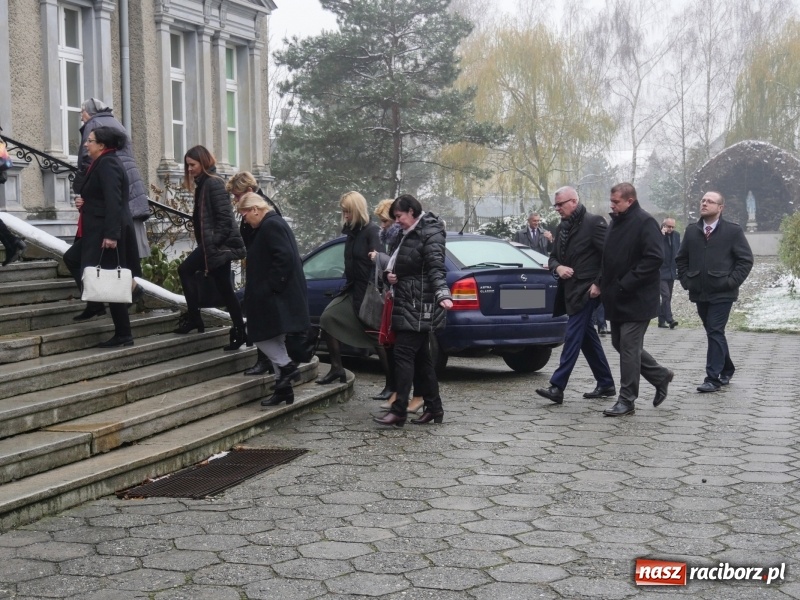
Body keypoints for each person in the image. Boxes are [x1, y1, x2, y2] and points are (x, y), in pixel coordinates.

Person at [373, 194, 453, 428]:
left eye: (399, 216)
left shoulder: (430, 233)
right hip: (409, 302)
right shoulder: (409, 233)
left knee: (403, 355)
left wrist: (442, 294)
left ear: (412, 212)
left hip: (420, 306)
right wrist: (390, 276)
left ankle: (399, 411)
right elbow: (402, 263)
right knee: (421, 359)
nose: (397, 221)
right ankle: (434, 408)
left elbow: (436, 268)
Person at [535, 186, 615, 405]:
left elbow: (609, 257)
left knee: (572, 336)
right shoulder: (563, 227)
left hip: (587, 291)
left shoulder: (594, 222)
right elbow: (553, 258)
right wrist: (558, 268)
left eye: (561, 204)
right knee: (587, 339)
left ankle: (557, 386)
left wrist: (599, 284)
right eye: (556, 205)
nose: (558, 208)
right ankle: (606, 383)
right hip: (569, 290)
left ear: (574, 201)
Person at [600, 182, 674, 417]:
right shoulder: (616, 221)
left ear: (629, 201)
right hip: (617, 298)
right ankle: (660, 376)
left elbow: (654, 258)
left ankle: (627, 399)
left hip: (638, 298)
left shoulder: (645, 221)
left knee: (629, 347)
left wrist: (626, 282)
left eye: (616, 202)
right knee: (618, 344)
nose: (611, 205)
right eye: (611, 201)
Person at [68, 126, 142, 347]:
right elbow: (101, 196)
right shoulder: (102, 162)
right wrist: (85, 202)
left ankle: (124, 334)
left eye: (90, 140)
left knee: (111, 280)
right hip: (99, 230)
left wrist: (111, 235)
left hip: (107, 232)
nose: (85, 144)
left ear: (101, 145)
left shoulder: (108, 163)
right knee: (72, 259)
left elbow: (114, 201)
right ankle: (96, 304)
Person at [316, 192, 395, 398]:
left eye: (347, 212)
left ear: (356, 210)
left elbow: (381, 264)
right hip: (352, 289)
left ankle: (392, 384)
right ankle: (336, 368)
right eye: (343, 212)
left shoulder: (372, 232)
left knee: (379, 339)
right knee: (328, 318)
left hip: (369, 292)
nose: (345, 216)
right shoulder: (352, 233)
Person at [676, 191, 753, 393]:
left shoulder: (732, 231)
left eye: (710, 201)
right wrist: (686, 281)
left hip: (723, 293)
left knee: (715, 330)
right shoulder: (692, 231)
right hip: (699, 292)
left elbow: (745, 260)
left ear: (720, 208)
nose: (704, 203)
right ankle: (727, 368)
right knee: (713, 331)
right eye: (703, 200)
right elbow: (681, 258)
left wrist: (731, 282)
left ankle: (712, 378)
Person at [237, 192, 310, 406]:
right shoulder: (270, 224)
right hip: (276, 293)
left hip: (276, 294)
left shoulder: (271, 225)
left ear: (255, 210)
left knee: (257, 333)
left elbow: (284, 257)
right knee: (274, 337)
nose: (244, 219)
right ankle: (283, 389)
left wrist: (271, 286)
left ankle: (287, 367)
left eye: (244, 214)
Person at [174, 145, 247, 351]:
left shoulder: (213, 184)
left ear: (203, 163)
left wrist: (212, 243)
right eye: (187, 165)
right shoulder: (204, 184)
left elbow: (225, 219)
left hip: (217, 247)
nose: (189, 169)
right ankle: (236, 329)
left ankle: (200, 320)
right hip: (211, 247)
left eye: (192, 165)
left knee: (189, 271)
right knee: (225, 289)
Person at [76, 98, 150, 259]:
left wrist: (80, 189)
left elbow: (86, 161)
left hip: (108, 185)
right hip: (129, 181)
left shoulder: (94, 125)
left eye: (81, 112)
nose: (81, 117)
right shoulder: (115, 122)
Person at [369, 199, 423, 414]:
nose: (383, 226)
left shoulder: (409, 235)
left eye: (386, 220)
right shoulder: (397, 237)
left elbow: (405, 265)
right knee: (404, 353)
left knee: (409, 354)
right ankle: (408, 399)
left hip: (412, 302)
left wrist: (380, 259)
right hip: (399, 299)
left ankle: (409, 399)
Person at [225, 171, 282, 376]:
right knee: (257, 315)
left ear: (249, 191)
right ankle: (271, 362)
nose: (235, 200)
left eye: (237, 195)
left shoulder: (263, 211)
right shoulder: (255, 208)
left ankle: (269, 362)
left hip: (263, 274)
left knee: (262, 317)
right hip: (257, 269)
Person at [658, 217, 680, 329]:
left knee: (668, 297)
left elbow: (678, 251)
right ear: (664, 225)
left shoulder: (676, 236)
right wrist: (661, 235)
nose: (670, 229)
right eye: (668, 226)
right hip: (660, 271)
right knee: (665, 295)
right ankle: (670, 319)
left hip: (671, 271)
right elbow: (655, 247)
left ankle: (661, 321)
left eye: (672, 227)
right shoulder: (658, 235)